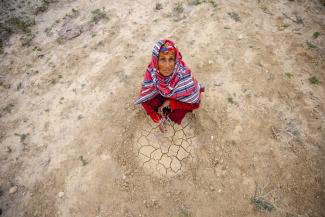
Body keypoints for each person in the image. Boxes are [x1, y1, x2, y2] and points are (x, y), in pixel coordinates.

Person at [134, 39, 204, 133]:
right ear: (155, 61)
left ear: (176, 60)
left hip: (177, 98)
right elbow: (145, 99)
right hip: (164, 94)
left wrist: (172, 103)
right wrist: (157, 119)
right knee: (151, 103)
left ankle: (171, 108)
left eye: (171, 59)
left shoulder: (183, 77)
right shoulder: (152, 72)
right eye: (162, 59)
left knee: (174, 115)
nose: (167, 65)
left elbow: (195, 103)